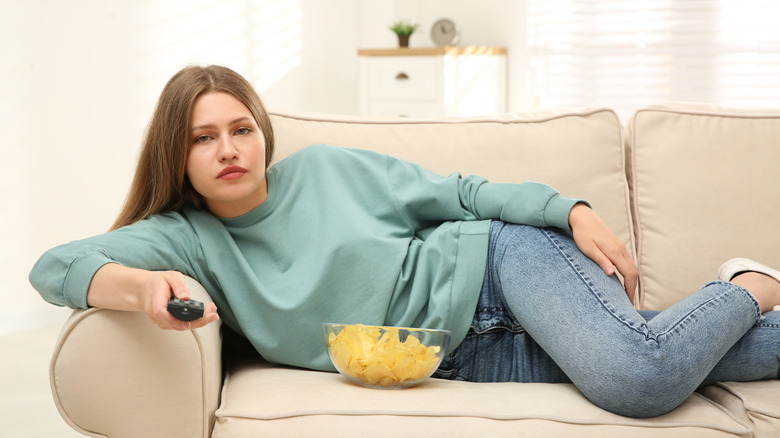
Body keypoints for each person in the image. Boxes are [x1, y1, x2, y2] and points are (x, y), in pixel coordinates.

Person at [29, 65, 779, 418]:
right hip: (463, 357)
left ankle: (748, 284)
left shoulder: (325, 171)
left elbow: (460, 193)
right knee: (671, 347)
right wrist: (145, 288)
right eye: (203, 137)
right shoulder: (184, 242)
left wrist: (569, 209)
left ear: (261, 135)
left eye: (241, 128)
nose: (229, 149)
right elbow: (55, 265)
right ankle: (751, 304)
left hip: (499, 269)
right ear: (177, 154)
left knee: (637, 380)